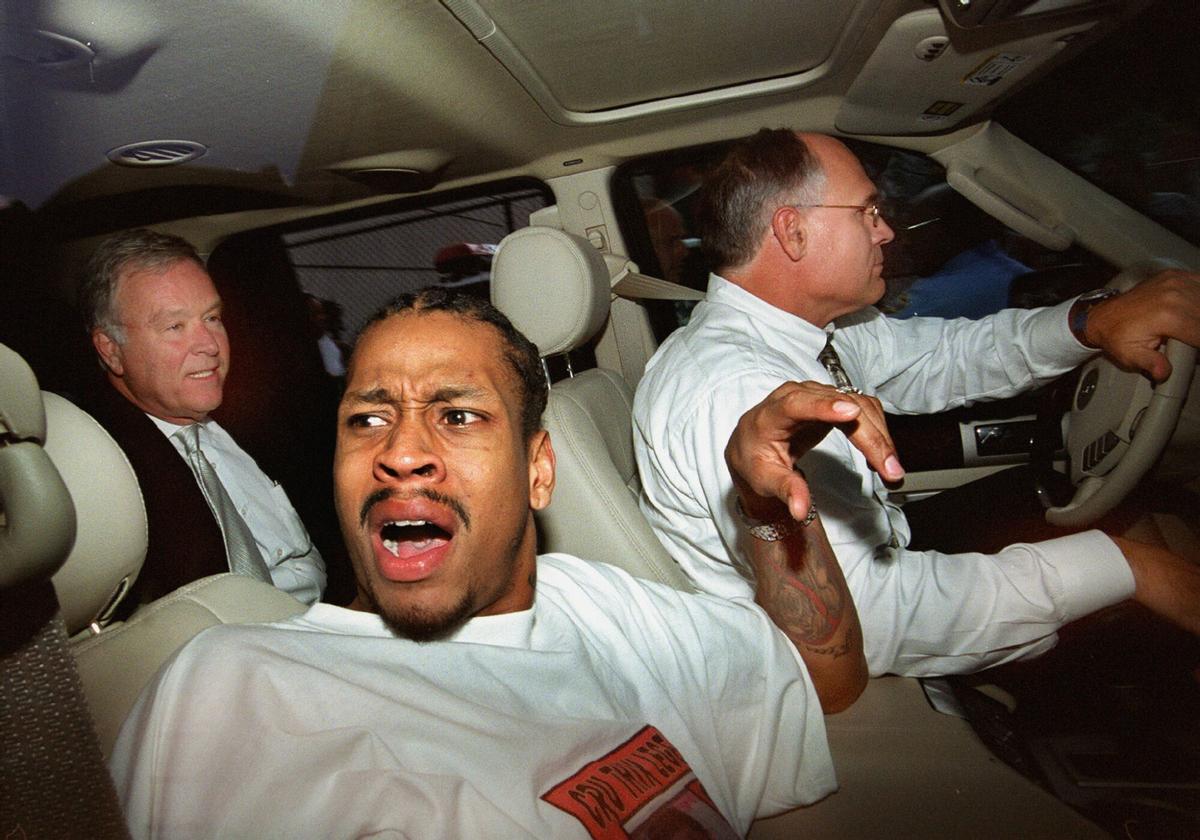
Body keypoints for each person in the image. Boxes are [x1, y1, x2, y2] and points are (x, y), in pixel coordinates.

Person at [109, 288, 886, 838]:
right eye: (368, 419)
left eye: (457, 415)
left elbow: (826, 679)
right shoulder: (237, 690)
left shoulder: (609, 606)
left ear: (538, 471)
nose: (402, 452)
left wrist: (764, 508)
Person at [633, 128, 1200, 677]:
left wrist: (1089, 323)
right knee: (1135, 580)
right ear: (793, 231)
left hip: (886, 554)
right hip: (833, 647)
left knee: (1106, 513)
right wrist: (1126, 567)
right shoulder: (736, 388)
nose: (885, 232)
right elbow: (876, 621)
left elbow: (946, 357)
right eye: (867, 212)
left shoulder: (808, 330)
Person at [79, 229, 325, 607]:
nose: (210, 345)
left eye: (212, 318)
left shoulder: (260, 420)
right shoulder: (104, 478)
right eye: (174, 327)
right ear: (111, 350)